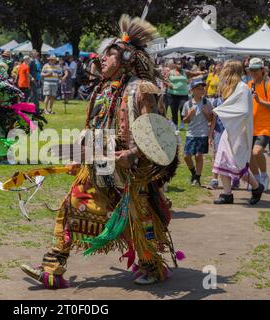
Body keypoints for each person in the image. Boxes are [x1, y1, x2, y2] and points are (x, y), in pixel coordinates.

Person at [20, 14, 181, 288]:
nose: (102, 59)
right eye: (102, 56)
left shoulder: (141, 89)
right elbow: (93, 127)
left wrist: (133, 154)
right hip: (98, 164)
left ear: (127, 60)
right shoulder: (102, 89)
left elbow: (154, 131)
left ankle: (152, 265)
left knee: (137, 218)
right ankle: (53, 268)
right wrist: (80, 157)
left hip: (130, 171)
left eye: (109, 55)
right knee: (70, 206)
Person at [212, 60, 264, 205]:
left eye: (226, 69)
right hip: (229, 130)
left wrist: (221, 110)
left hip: (240, 131)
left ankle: (256, 187)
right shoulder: (233, 87)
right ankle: (227, 194)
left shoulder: (242, 88)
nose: (223, 72)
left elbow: (245, 110)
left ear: (232, 71)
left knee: (237, 162)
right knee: (223, 158)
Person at [247, 58, 270, 191]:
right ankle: (256, 179)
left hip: (265, 126)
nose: (253, 72)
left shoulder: (269, 85)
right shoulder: (248, 85)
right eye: (251, 70)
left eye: (256, 69)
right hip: (250, 126)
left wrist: (259, 101)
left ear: (262, 70)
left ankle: (265, 176)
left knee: (257, 152)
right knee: (248, 154)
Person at [182, 79, 213, 187]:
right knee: (186, 156)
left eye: (202, 88)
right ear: (192, 91)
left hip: (202, 133)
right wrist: (189, 115)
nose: (202, 90)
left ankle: (198, 178)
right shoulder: (188, 103)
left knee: (199, 156)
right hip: (191, 133)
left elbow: (210, 119)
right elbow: (184, 121)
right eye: (199, 89)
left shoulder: (206, 102)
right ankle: (193, 173)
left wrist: (205, 113)